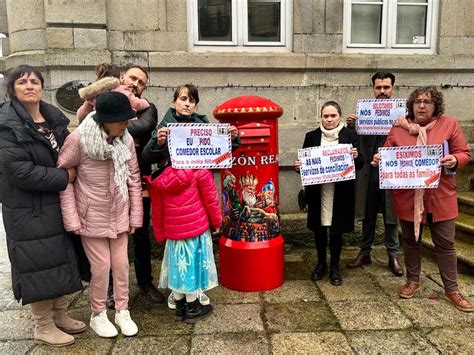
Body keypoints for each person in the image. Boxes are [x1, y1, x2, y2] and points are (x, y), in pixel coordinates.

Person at [0, 64, 85, 347]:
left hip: (55, 201)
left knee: (59, 258)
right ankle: (42, 325)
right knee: (37, 264)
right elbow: (18, 171)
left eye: (34, 81)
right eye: (22, 81)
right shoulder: (7, 125)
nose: (29, 85)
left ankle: (59, 314)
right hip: (28, 208)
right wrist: (64, 176)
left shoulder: (52, 120)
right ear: (12, 88)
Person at [372, 86, 473, 312]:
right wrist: (379, 159)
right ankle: (413, 281)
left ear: (435, 105)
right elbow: (386, 153)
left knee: (445, 244)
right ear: (411, 105)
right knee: (410, 241)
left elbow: (464, 152)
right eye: (417, 101)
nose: (421, 105)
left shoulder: (449, 124)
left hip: (440, 196)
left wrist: (455, 159)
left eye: (427, 101)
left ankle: (452, 289)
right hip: (408, 197)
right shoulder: (398, 128)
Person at [142, 84, 239, 308]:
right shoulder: (165, 125)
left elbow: (217, 151)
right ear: (174, 101)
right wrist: (158, 141)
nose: (187, 103)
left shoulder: (202, 124)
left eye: (191, 100)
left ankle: (191, 290)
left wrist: (231, 138)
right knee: (182, 249)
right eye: (183, 99)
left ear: (196, 104)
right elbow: (147, 156)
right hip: (176, 189)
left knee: (196, 247)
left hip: (196, 191)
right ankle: (182, 291)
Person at [58, 92, 144, 337]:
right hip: (90, 215)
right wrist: (72, 219)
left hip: (119, 213)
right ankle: (98, 314)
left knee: (121, 265)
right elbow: (64, 178)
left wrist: (135, 215)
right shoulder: (79, 140)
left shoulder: (124, 139)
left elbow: (133, 178)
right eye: (120, 119)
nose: (126, 123)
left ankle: (122, 310)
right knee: (101, 266)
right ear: (104, 119)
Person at [295, 101, 364, 285]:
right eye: (326, 116)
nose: (329, 119)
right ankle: (321, 264)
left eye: (333, 115)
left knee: (336, 231)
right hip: (318, 192)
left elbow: (361, 164)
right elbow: (304, 164)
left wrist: (357, 157)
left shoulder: (350, 135)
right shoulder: (311, 136)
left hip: (340, 192)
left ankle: (334, 267)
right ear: (321, 117)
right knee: (319, 230)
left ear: (339, 117)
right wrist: (298, 167)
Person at [145, 166, 222, 323]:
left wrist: (160, 234)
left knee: (179, 268)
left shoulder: (161, 178)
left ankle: (180, 305)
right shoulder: (200, 171)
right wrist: (217, 222)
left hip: (174, 234)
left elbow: (157, 210)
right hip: (195, 230)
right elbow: (211, 199)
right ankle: (193, 307)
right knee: (192, 268)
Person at [346, 71, 403, 276]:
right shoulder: (365, 113)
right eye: (378, 87)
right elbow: (351, 142)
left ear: (392, 88)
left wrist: (405, 124)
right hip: (368, 172)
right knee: (368, 213)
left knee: (391, 215)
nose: (382, 91)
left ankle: (393, 255)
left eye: (386, 87)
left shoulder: (401, 114)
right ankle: (364, 252)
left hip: (392, 174)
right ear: (373, 89)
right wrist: (351, 125)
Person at [76, 63, 150, 123]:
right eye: (133, 78)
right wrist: (145, 102)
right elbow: (136, 103)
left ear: (144, 88)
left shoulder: (150, 109)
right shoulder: (121, 90)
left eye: (141, 83)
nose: (135, 84)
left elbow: (80, 115)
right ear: (122, 77)